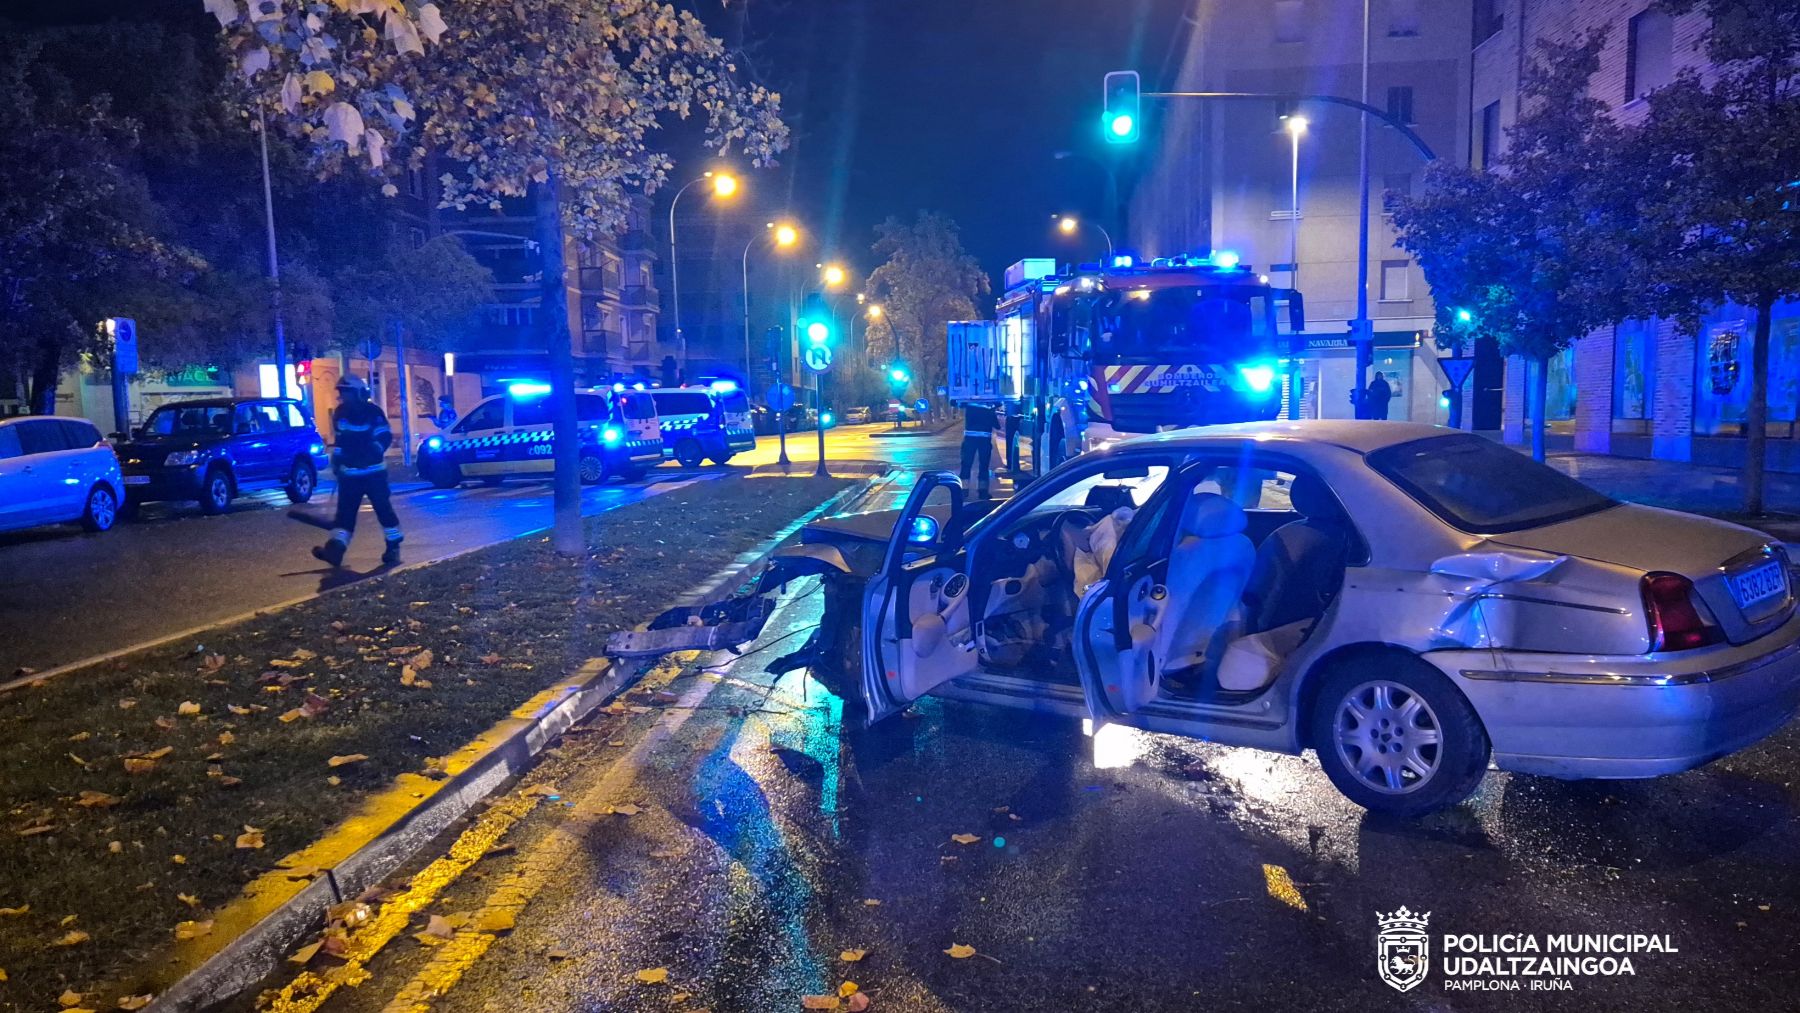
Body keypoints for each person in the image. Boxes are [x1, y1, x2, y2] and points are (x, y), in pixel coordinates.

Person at [313, 375, 403, 567]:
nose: (344, 396)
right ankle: (335, 551)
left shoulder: (374, 413)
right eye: (342, 392)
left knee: (383, 511)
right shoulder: (340, 413)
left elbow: (384, 437)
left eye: (347, 392)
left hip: (374, 474)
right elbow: (340, 441)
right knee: (345, 515)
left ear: (359, 393)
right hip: (350, 474)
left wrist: (371, 453)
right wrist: (337, 461)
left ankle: (393, 547)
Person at [959, 400, 997, 498]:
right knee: (984, 466)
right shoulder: (990, 404)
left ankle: (963, 491)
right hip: (985, 439)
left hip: (969, 439)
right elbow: (996, 425)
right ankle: (983, 492)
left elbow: (955, 402)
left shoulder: (968, 402)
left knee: (966, 465)